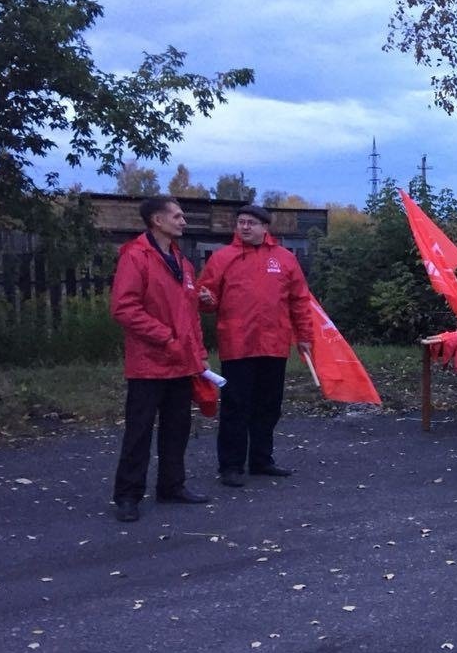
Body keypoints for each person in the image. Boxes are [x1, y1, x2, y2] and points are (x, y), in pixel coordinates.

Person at [110, 197, 212, 522]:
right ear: (157, 220)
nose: (183, 221)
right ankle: (128, 496)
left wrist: (200, 355)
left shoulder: (182, 262)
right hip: (149, 362)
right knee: (139, 430)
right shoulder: (136, 256)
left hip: (181, 362)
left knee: (177, 428)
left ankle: (171, 485)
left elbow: (191, 315)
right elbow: (124, 308)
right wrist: (165, 336)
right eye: (178, 216)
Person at [198, 204, 314, 488]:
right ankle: (231, 465)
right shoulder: (223, 258)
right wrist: (206, 301)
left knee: (269, 405)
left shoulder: (285, 259)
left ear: (265, 228)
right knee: (236, 406)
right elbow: (207, 299)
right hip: (237, 345)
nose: (245, 227)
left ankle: (262, 460)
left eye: (251, 222)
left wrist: (305, 336)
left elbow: (300, 301)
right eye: (241, 222)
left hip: (274, 345)